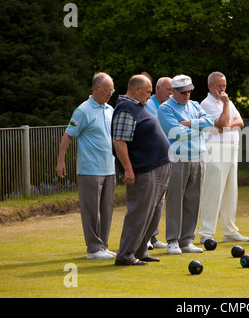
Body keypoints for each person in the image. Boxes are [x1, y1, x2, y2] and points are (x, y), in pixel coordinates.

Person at [112, 74, 171, 266]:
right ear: (137, 90)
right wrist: (128, 169)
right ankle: (125, 255)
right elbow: (120, 142)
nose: (149, 95)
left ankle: (140, 250)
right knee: (139, 213)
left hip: (158, 166)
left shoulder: (138, 107)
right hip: (144, 170)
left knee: (153, 214)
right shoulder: (126, 109)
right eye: (147, 91)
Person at [56, 72, 116, 259]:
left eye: (112, 91)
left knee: (106, 211)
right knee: (91, 211)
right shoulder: (82, 111)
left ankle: (103, 246)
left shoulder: (110, 109)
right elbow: (67, 136)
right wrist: (61, 161)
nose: (110, 94)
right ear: (96, 89)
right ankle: (93, 248)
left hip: (109, 168)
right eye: (107, 90)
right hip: (90, 169)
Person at [158, 74, 214, 255]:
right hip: (177, 158)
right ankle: (173, 240)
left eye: (189, 91)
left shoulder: (195, 105)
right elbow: (176, 131)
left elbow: (210, 123)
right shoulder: (165, 108)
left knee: (193, 199)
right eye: (182, 92)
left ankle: (186, 240)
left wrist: (190, 123)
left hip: (198, 157)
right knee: (175, 200)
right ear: (172, 91)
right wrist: (198, 127)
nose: (186, 95)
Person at [198, 71, 249, 243]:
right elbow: (222, 124)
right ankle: (206, 232)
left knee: (230, 192)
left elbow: (239, 121)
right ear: (210, 86)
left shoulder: (227, 101)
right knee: (213, 191)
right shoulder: (206, 104)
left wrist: (228, 121)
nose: (222, 89)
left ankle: (229, 231)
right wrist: (227, 107)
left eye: (224, 86)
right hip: (215, 149)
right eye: (219, 86)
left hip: (231, 149)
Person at [145, 77, 173, 250]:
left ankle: (153, 237)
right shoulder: (148, 105)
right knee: (150, 199)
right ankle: (145, 237)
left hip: (165, 158)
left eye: (173, 89)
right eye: (168, 89)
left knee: (159, 201)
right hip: (150, 158)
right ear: (158, 89)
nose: (171, 92)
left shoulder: (170, 107)